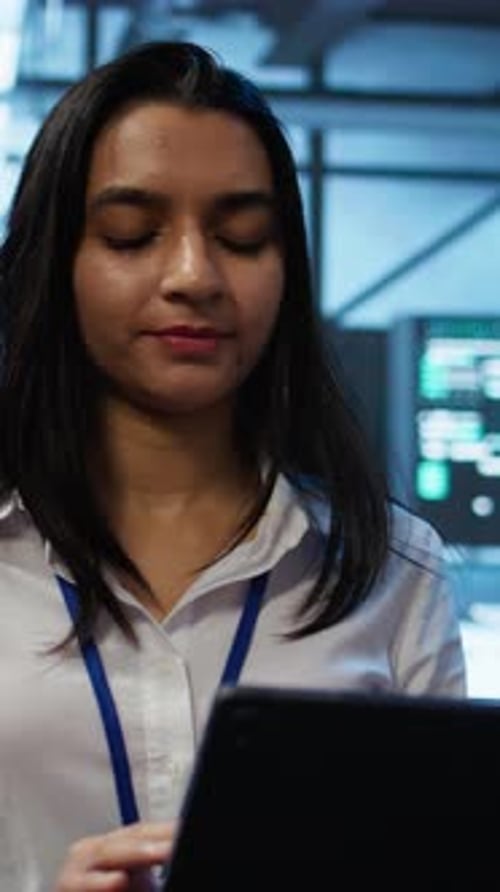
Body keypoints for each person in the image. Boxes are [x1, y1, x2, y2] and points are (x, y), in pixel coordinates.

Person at [0, 39, 465, 892]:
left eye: (243, 237)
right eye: (132, 235)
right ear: (52, 262)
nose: (194, 275)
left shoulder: (392, 570)